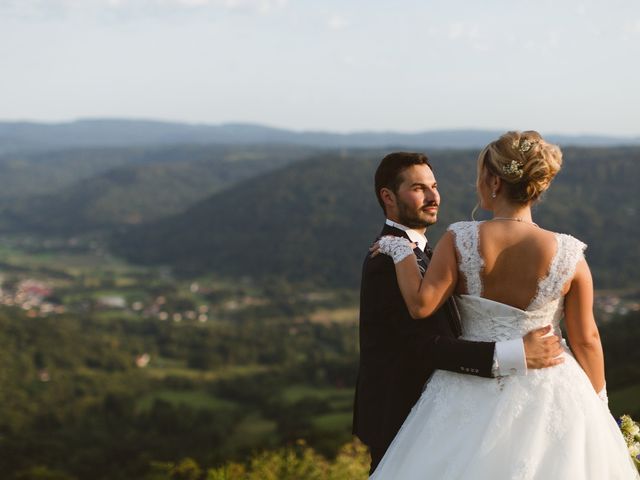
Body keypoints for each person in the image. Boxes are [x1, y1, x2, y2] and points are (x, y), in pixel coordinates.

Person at [369, 131, 639, 479]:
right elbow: (587, 339)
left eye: (481, 175)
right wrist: (599, 404)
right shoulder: (571, 253)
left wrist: (399, 250)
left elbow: (421, 306)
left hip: (468, 390)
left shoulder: (460, 238)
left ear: (494, 181)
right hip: (554, 386)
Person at [352, 151, 566, 475]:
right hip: (399, 415)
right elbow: (418, 346)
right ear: (388, 197)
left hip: (441, 414)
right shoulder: (386, 259)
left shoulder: (423, 251)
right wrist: (513, 353)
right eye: (418, 188)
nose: (433, 196)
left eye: (434, 186)